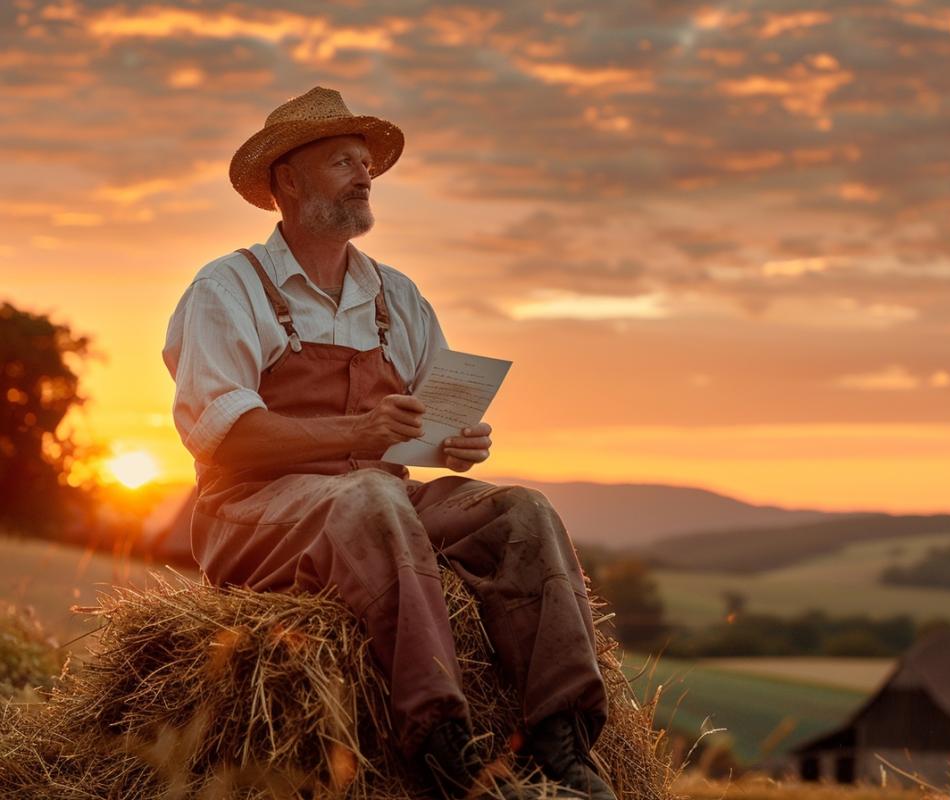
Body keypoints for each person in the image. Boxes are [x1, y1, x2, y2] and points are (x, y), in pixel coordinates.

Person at [162, 86, 613, 800]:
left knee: (521, 511)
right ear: (287, 180)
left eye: (366, 164)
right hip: (254, 515)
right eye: (343, 160)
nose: (365, 176)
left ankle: (561, 741)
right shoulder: (227, 288)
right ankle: (439, 740)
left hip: (382, 510)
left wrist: (453, 442)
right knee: (373, 495)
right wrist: (359, 435)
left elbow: (416, 431)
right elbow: (225, 441)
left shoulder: (397, 295)